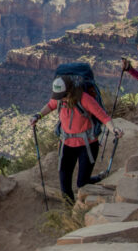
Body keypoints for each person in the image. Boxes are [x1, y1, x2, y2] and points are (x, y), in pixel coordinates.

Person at [30, 75, 122, 204]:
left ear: (70, 91)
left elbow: (104, 117)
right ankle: (70, 210)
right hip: (66, 144)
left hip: (87, 145)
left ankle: (98, 179)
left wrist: (114, 129)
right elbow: (50, 105)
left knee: (82, 183)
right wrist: (37, 116)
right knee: (64, 183)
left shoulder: (85, 99)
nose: (60, 99)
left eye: (62, 95)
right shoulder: (60, 99)